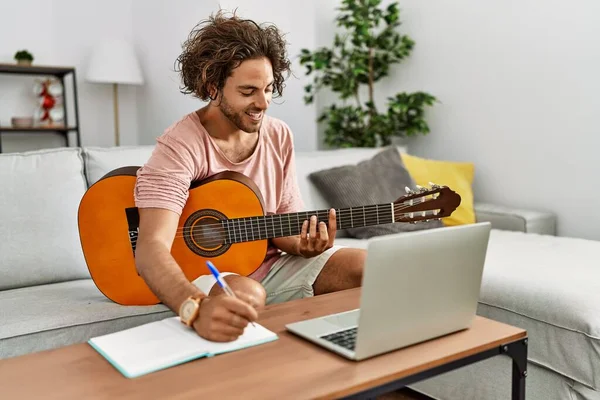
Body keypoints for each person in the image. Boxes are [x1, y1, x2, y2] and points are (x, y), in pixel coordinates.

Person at [133, 10, 366, 343]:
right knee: (246, 296)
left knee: (367, 267)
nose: (264, 103)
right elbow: (151, 248)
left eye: (269, 88)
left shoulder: (279, 135)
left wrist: (304, 245)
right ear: (212, 86)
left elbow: (284, 223)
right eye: (248, 92)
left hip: (271, 266)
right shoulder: (180, 144)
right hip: (201, 273)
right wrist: (194, 308)